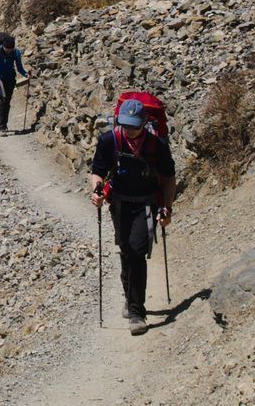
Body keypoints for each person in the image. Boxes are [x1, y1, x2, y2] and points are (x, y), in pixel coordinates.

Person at [88, 98, 177, 334]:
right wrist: (96, 192)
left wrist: (167, 208)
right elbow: (97, 171)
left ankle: (137, 313)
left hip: (147, 204)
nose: (130, 130)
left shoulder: (156, 145)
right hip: (119, 204)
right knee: (126, 251)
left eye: (134, 126)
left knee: (137, 251)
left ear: (144, 123)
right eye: (125, 125)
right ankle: (130, 295)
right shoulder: (110, 141)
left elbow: (168, 179)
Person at [0, 33, 28, 133]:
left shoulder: (16, 52)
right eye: (7, 49)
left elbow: (19, 68)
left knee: (7, 102)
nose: (9, 51)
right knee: (3, 100)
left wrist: (26, 75)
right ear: (3, 46)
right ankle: (1, 128)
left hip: (10, 78)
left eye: (11, 49)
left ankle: (4, 126)